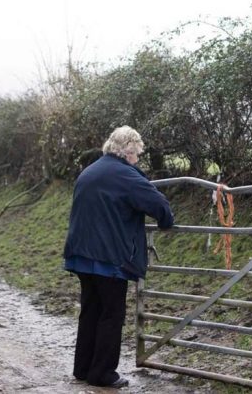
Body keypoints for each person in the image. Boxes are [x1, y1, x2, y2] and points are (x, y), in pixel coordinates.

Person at [62, 126, 174, 389]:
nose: (138, 161)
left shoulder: (89, 172)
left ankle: (83, 367)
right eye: (137, 156)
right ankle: (102, 373)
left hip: (81, 254)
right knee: (112, 314)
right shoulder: (125, 175)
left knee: (91, 310)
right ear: (128, 152)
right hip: (109, 258)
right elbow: (158, 206)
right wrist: (167, 220)